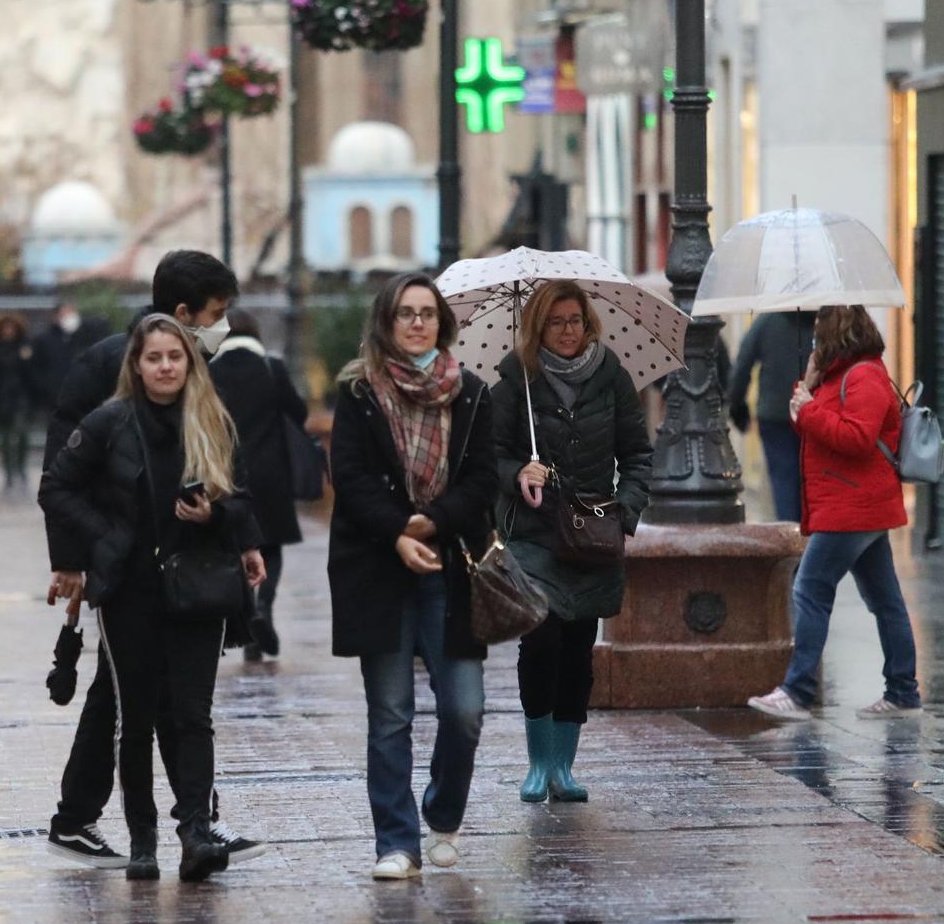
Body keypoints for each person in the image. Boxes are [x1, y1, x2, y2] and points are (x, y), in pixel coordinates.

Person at [38, 249, 258, 868]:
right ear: (183, 316)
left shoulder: (202, 380)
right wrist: (77, 558)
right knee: (131, 703)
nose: (223, 326)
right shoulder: (109, 368)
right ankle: (128, 824)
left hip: (187, 570)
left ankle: (187, 824)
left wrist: (239, 534)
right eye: (216, 315)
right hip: (128, 573)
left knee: (169, 704)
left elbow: (232, 474)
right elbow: (62, 468)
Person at [328, 274, 497, 880]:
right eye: (406, 313)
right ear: (387, 322)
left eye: (427, 313)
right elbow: (348, 478)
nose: (418, 323)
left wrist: (432, 525)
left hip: (450, 568)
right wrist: (398, 532)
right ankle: (396, 843)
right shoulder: (358, 391)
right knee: (392, 712)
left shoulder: (472, 393)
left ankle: (443, 812)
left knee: (465, 710)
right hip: (379, 568)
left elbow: (482, 481)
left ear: (442, 324)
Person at [492, 279, 652, 805]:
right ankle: (538, 763)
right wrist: (519, 470)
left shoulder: (613, 379)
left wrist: (625, 510)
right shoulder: (514, 382)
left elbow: (636, 455)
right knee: (540, 640)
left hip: (593, 533)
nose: (567, 331)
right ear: (539, 325)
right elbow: (487, 456)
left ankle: (564, 766)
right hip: (535, 532)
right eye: (556, 322)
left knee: (579, 649)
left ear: (589, 325)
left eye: (575, 321)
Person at [748, 305, 921, 722]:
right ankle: (903, 692)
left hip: (853, 506)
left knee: (810, 588)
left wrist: (808, 410)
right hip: (851, 504)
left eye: (819, 330)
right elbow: (817, 427)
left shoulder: (864, 375)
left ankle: (798, 690)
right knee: (885, 600)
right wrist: (806, 391)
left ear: (836, 333)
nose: (812, 339)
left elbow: (857, 438)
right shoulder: (837, 375)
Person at [207, 309, 307, 661]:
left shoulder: (210, 372)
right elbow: (299, 412)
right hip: (272, 474)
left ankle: (249, 610)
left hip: (228, 473)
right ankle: (264, 604)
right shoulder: (272, 368)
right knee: (272, 547)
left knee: (238, 545)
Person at [728, 311, 817, 521]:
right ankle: (812, 540)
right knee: (813, 481)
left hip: (776, 415)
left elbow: (743, 364)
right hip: (814, 412)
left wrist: (737, 407)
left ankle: (792, 540)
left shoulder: (767, 321)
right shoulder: (823, 320)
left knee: (784, 482)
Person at [0, 312, 40, 490]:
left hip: (22, 397)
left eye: (11, 328)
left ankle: (21, 469)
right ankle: (8, 472)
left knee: (22, 434)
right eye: (5, 328)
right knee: (5, 438)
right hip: (2, 398)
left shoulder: (25, 348)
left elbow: (32, 374)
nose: (8, 331)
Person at [29, 302, 88, 410]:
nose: (69, 317)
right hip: (51, 399)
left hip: (79, 398)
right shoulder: (42, 340)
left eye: (72, 313)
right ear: (55, 317)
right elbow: (35, 369)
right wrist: (45, 389)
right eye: (65, 314)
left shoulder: (84, 338)